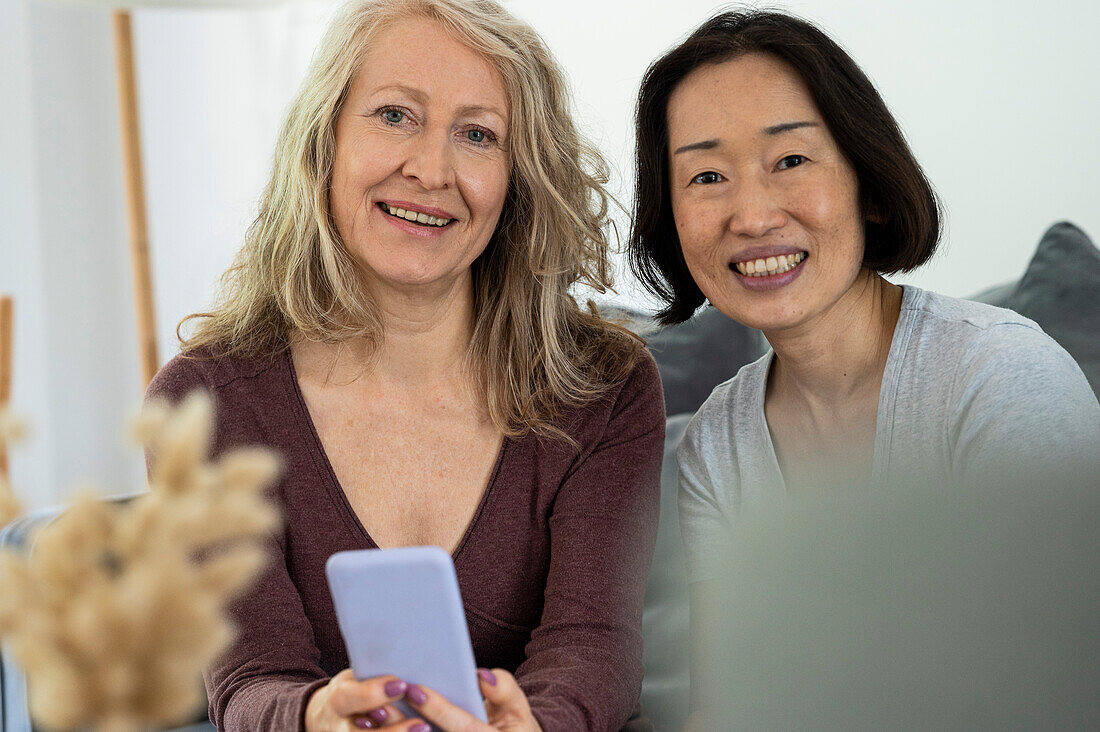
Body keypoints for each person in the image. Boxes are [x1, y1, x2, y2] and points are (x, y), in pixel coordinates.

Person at [146, 1, 666, 730]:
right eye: (394, 115)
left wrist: (532, 726)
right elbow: (252, 676)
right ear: (325, 140)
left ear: (518, 178)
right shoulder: (202, 403)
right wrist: (313, 717)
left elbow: (594, 644)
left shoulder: (604, 389)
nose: (430, 169)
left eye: (478, 134)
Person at [626, 8, 1100, 721]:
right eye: (707, 176)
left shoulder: (1001, 379)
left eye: (790, 160)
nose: (750, 216)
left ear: (868, 184)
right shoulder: (716, 447)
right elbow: (731, 713)